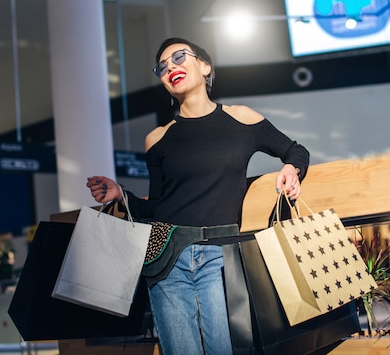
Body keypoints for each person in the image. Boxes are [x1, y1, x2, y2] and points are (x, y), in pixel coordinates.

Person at [86, 37, 310, 355]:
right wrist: (121, 195)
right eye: (162, 66)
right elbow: (159, 206)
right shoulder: (157, 138)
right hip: (167, 260)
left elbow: (295, 150)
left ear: (205, 66)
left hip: (222, 258)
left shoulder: (241, 119)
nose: (171, 68)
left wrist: (291, 168)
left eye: (179, 57)